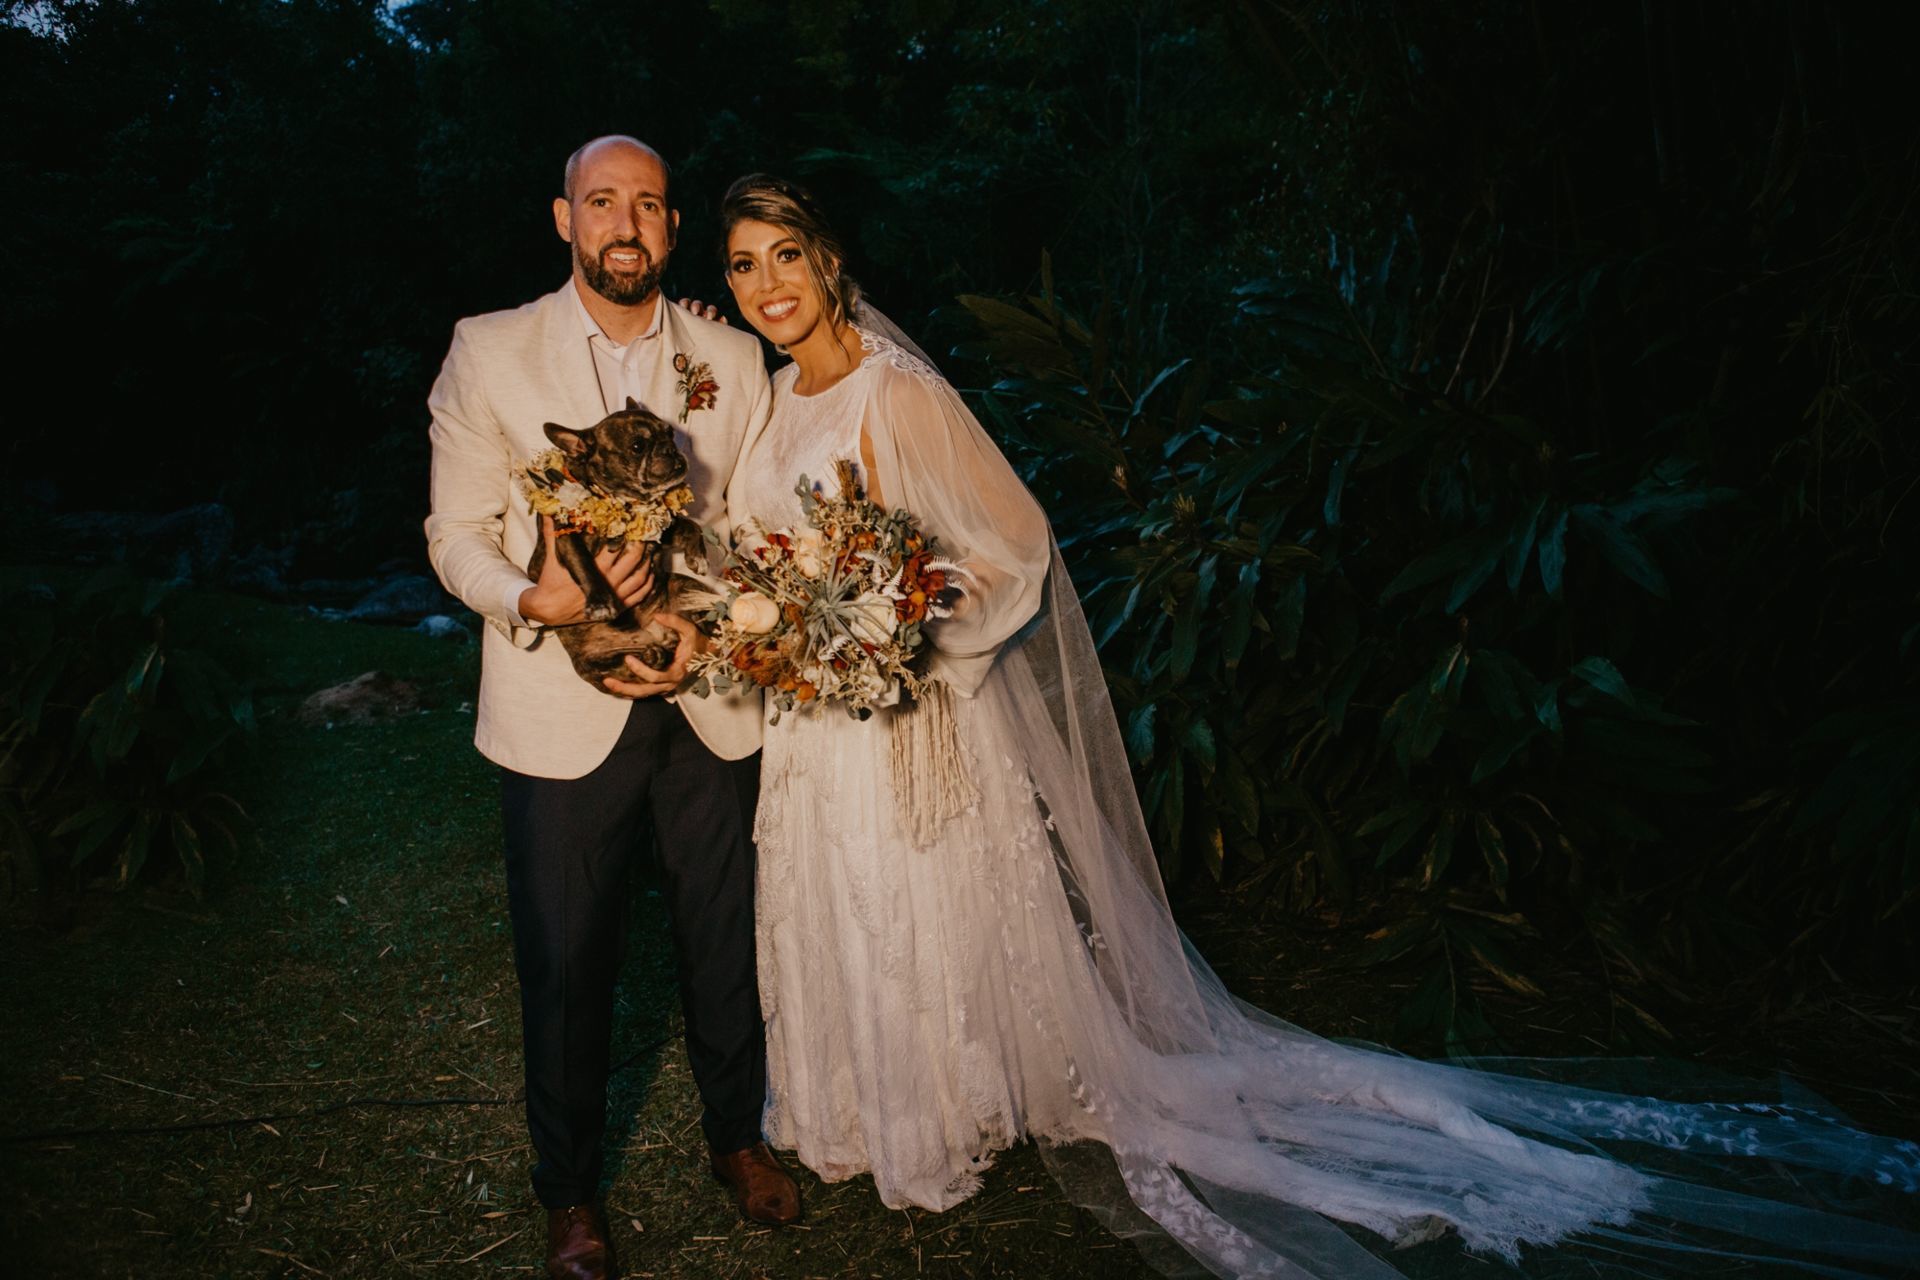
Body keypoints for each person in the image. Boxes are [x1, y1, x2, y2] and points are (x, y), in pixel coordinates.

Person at [715, 172, 1920, 1278]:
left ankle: (940, 1105)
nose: (766, 286)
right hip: (813, 732)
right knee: (836, 897)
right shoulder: (770, 402)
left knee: (909, 898)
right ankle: (854, 1109)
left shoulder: (898, 391)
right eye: (742, 267)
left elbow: (1014, 546)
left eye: (784, 257)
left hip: (905, 716)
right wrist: (786, 628)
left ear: (830, 262)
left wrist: (903, 627)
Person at [424, 137, 799, 1280]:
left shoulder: (733, 356)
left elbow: (749, 521)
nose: (624, 222)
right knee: (565, 956)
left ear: (671, 227)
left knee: (725, 935)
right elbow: (456, 534)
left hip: (709, 701)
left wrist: (703, 619)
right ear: (563, 218)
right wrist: (527, 596)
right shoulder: (489, 350)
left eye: (645, 203)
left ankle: (736, 1135)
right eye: (601, 202)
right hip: (554, 710)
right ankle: (571, 1193)